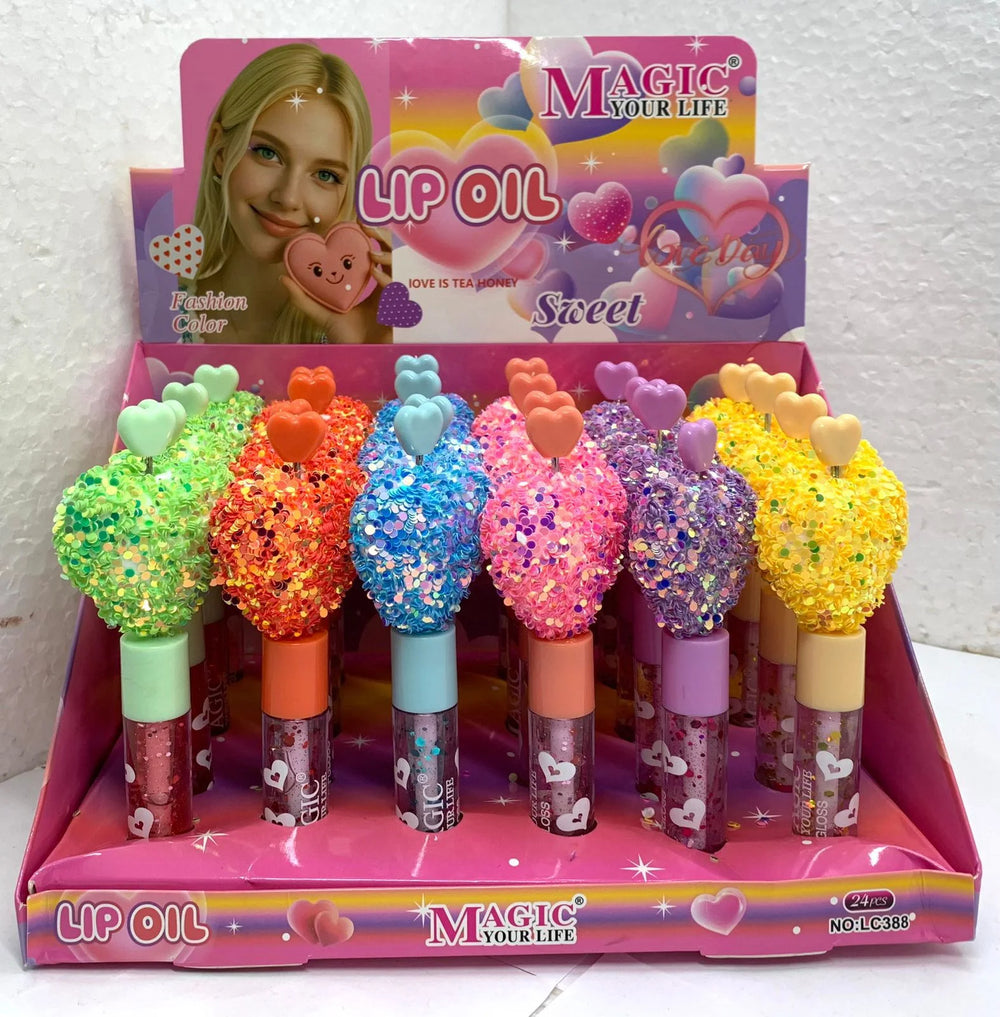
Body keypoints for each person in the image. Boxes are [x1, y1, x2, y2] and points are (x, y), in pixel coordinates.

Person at [190, 43, 391, 344]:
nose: (288, 198)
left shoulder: (351, 334)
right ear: (220, 151)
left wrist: (364, 353)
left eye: (325, 175)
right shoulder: (160, 310)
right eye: (268, 153)